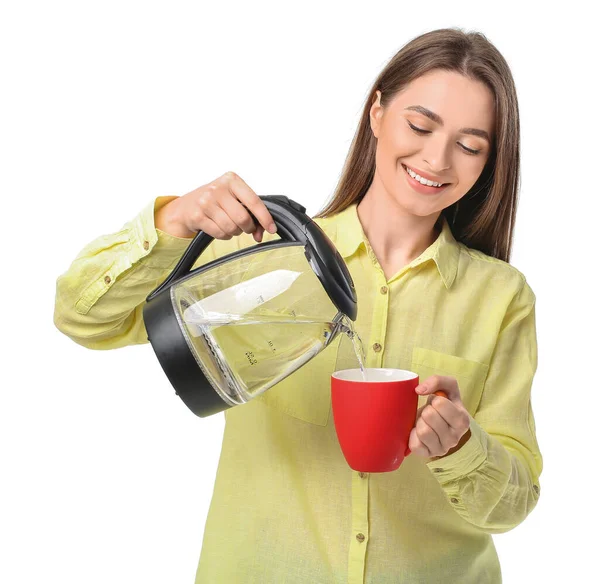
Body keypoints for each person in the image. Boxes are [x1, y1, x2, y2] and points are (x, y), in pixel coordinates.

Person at [54, 27, 542, 583]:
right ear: (376, 113)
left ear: (489, 162)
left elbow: (514, 503)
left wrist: (461, 447)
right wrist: (175, 220)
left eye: (470, 145)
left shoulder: (502, 298)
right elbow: (81, 316)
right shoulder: (265, 252)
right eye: (420, 125)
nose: (436, 157)